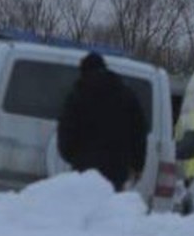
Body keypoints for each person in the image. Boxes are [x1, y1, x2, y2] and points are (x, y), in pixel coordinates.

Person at [57, 52, 147, 190]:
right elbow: (139, 131)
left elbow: (66, 129)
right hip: (116, 169)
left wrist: (71, 156)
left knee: (83, 207)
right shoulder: (126, 95)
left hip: (84, 167)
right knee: (108, 208)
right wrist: (137, 165)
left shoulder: (78, 95)